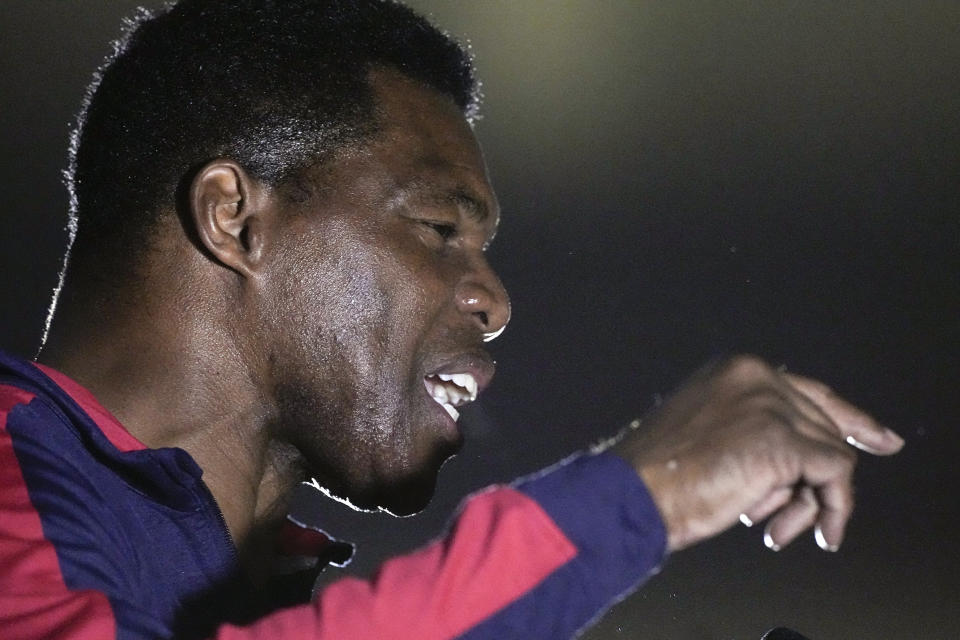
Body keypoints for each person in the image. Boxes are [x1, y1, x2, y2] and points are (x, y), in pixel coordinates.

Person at [0, 1, 904, 638]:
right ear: (235, 218)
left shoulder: (246, 591)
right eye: (438, 227)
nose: (494, 301)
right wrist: (647, 492)